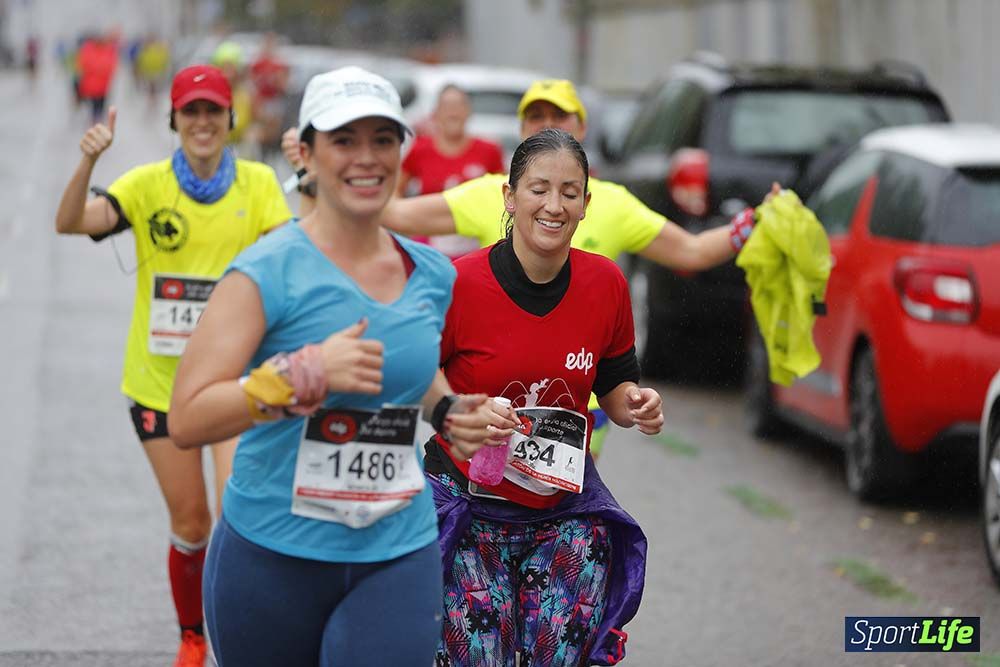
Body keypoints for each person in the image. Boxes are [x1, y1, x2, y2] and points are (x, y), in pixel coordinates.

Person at [168, 66, 515, 667]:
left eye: (383, 139)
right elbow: (187, 417)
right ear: (306, 153)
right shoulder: (266, 270)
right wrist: (297, 376)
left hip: (396, 550)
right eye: (344, 140)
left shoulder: (431, 273)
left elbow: (412, 369)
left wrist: (448, 410)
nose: (367, 157)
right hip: (274, 553)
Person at [289, 78, 757, 459]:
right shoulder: (476, 222)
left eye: (559, 116)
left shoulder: (613, 211)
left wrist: (750, 225)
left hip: (573, 438)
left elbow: (691, 252)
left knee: (563, 508)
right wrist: (324, 180)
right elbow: (394, 216)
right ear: (511, 197)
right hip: (474, 452)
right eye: (536, 116)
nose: (553, 206)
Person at [54, 64, 293, 667]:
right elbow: (70, 221)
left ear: (230, 118)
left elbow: (295, 261)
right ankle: (192, 637)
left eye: (213, 110)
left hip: (236, 382)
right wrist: (88, 162)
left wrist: (312, 184)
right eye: (192, 111)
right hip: (158, 385)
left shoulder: (259, 183)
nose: (203, 122)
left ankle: (241, 640)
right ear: (174, 120)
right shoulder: (146, 185)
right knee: (191, 525)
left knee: (238, 515)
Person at [424, 128, 664, 666]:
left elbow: (615, 386)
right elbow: (418, 374)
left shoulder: (606, 284)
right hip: (467, 508)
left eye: (569, 192)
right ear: (509, 197)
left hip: (563, 513)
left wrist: (636, 403)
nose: (554, 206)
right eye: (539, 189)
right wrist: (461, 412)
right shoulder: (458, 283)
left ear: (585, 204)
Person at [396, 84, 504, 257]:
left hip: (475, 245)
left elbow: (503, 197)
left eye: (459, 105)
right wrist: (406, 224)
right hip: (429, 243)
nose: (453, 112)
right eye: (447, 106)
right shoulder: (420, 149)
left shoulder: (489, 150)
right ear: (436, 113)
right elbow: (395, 191)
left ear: (468, 111)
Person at [76, 30, 119, 125]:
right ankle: (93, 121)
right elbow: (83, 65)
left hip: (103, 86)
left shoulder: (108, 51)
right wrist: (98, 68)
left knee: (101, 105)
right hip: (91, 86)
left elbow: (111, 66)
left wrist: (99, 69)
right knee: (93, 105)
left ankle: (97, 121)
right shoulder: (88, 50)